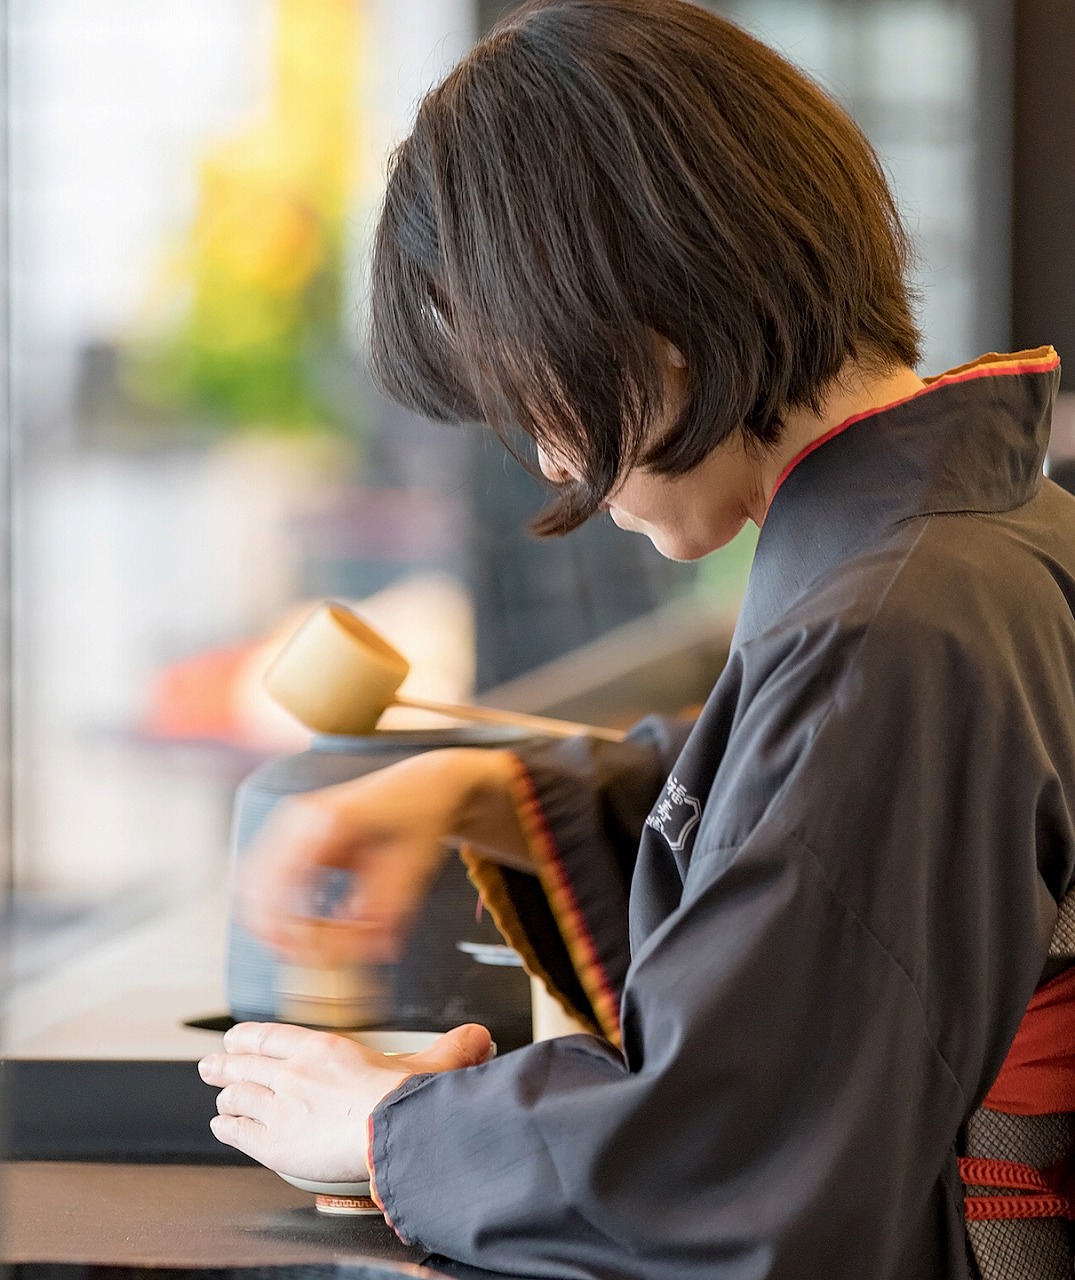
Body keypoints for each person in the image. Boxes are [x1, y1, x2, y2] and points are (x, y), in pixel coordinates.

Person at [196, 2, 1075, 1277]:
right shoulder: (987, 527)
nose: (553, 458)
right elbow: (817, 854)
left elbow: (728, 1151)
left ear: (647, 338)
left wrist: (382, 1127)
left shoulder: (892, 621)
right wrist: (487, 792)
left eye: (532, 397)